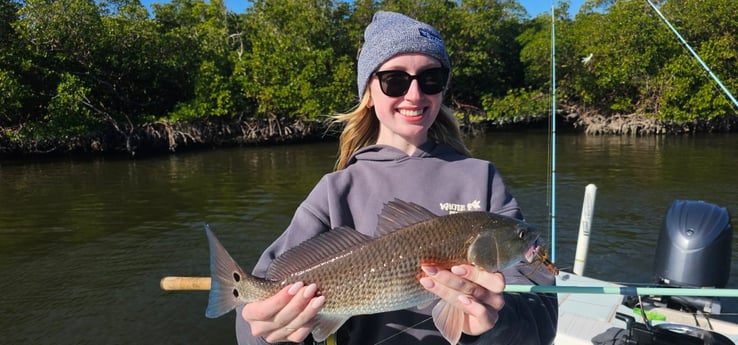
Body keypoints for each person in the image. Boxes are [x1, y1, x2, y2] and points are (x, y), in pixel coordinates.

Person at [235, 10, 558, 345]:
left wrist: (498, 320)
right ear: (369, 93)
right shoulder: (335, 191)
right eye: (395, 81)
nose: (415, 95)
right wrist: (270, 331)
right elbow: (253, 304)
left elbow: (541, 319)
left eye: (431, 78)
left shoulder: (483, 179)